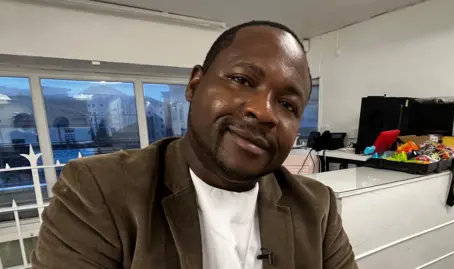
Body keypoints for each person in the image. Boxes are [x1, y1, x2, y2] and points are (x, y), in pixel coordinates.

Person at [32, 21, 358, 269]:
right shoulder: (98, 190)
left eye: (288, 105)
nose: (263, 112)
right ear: (195, 85)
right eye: (242, 80)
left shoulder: (317, 207)